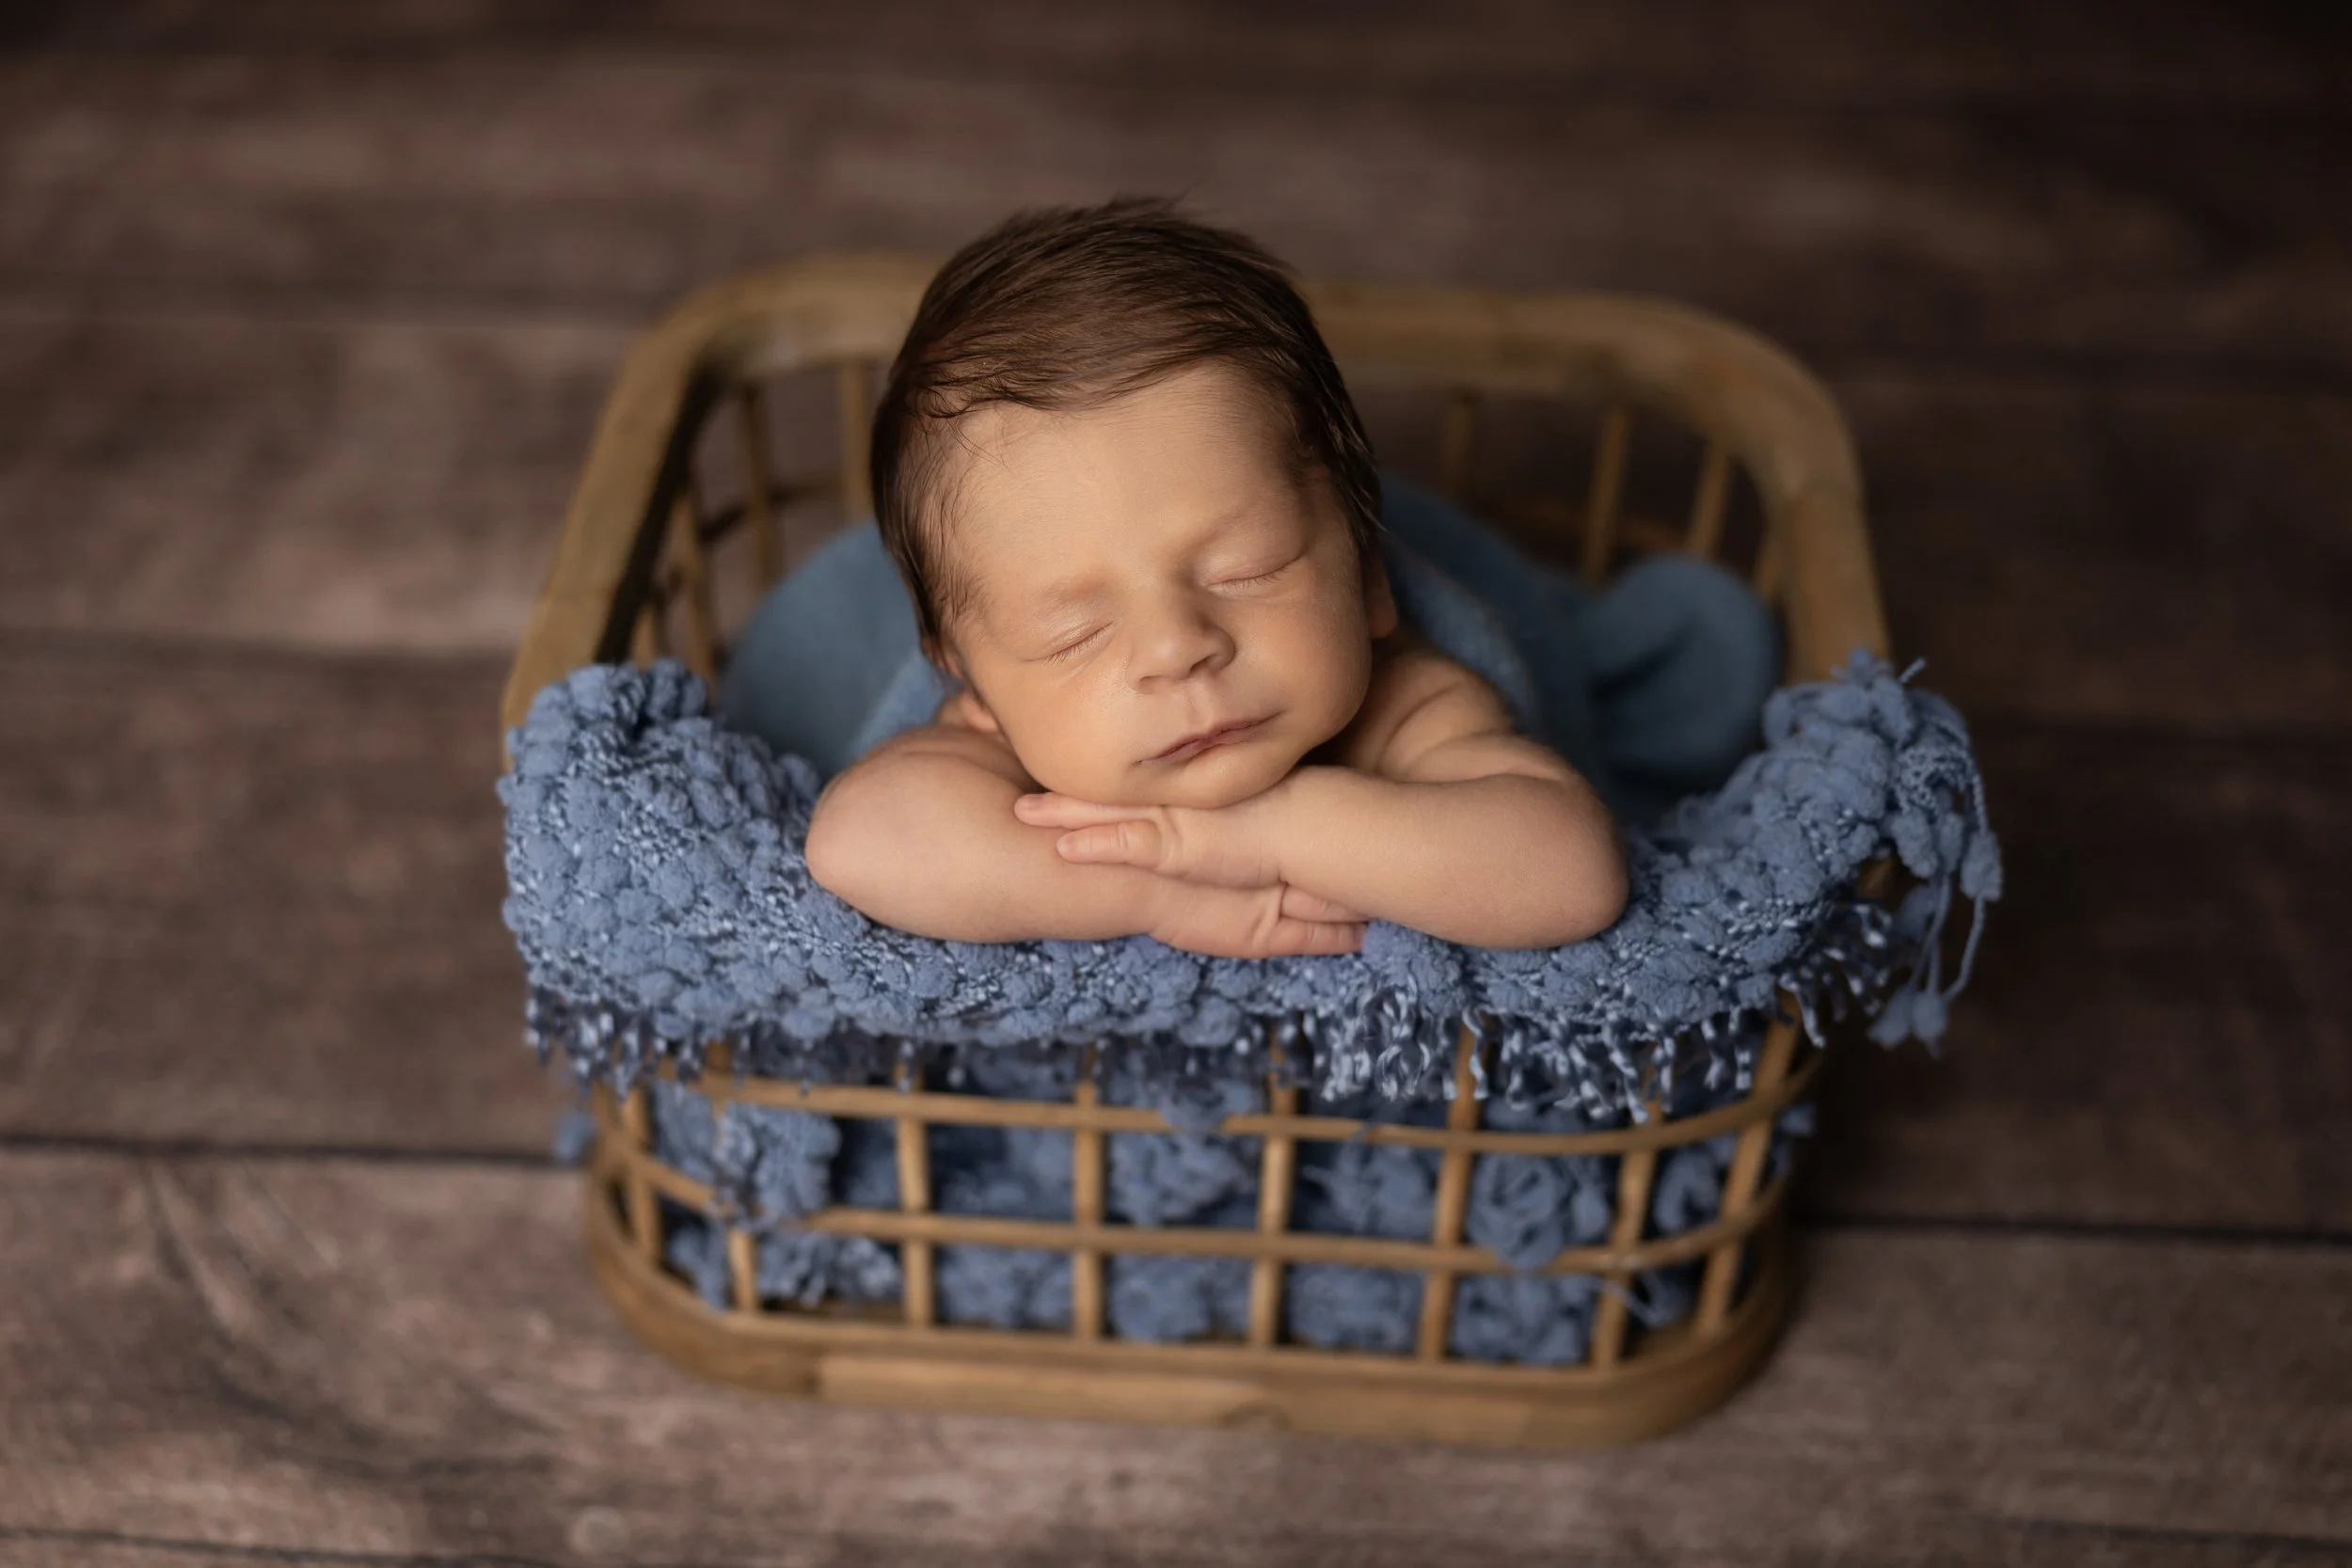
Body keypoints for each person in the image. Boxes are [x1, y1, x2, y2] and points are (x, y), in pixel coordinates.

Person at [804, 199, 1629, 958]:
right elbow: (858, 841)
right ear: (972, 681)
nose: (1177, 648)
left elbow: (1570, 871)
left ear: (1370, 576)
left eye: (1247, 570)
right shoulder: (996, 741)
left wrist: (1262, 835)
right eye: (1074, 633)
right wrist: (1160, 890)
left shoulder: (1408, 704)